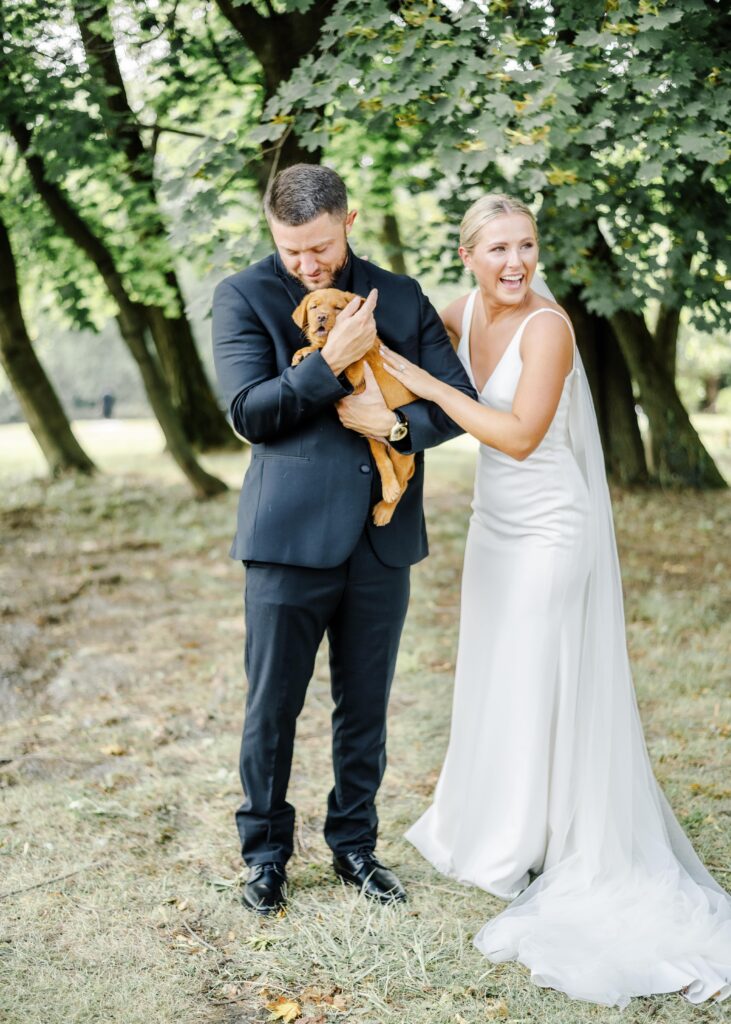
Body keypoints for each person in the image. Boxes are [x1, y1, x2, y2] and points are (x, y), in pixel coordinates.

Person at [381, 193, 731, 1008]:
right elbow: (390, 352)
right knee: (498, 674)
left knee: (538, 677)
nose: (515, 262)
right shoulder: (457, 310)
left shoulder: (550, 328)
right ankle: (489, 829)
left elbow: (516, 435)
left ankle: (528, 843)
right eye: (497, 247)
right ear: (467, 254)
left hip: (551, 528)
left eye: (526, 246)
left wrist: (427, 383)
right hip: (494, 527)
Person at [211, 164, 476, 915]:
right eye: (291, 250)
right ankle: (264, 855)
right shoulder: (243, 295)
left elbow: (454, 405)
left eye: (319, 248)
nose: (306, 265)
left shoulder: (403, 294)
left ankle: (354, 847)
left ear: (347, 220)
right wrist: (330, 361)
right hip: (285, 543)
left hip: (381, 541)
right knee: (272, 707)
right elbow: (248, 413)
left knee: (364, 707)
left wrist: (392, 425)